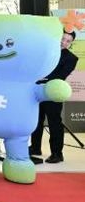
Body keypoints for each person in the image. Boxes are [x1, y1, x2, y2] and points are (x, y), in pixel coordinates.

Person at [30, 30, 79, 164]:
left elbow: (61, 76)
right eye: (62, 39)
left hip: (53, 93)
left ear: (71, 43)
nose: (64, 42)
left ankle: (57, 154)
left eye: (68, 41)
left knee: (54, 123)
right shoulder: (45, 52)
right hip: (38, 92)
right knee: (36, 121)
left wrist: (43, 78)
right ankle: (35, 148)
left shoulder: (71, 58)